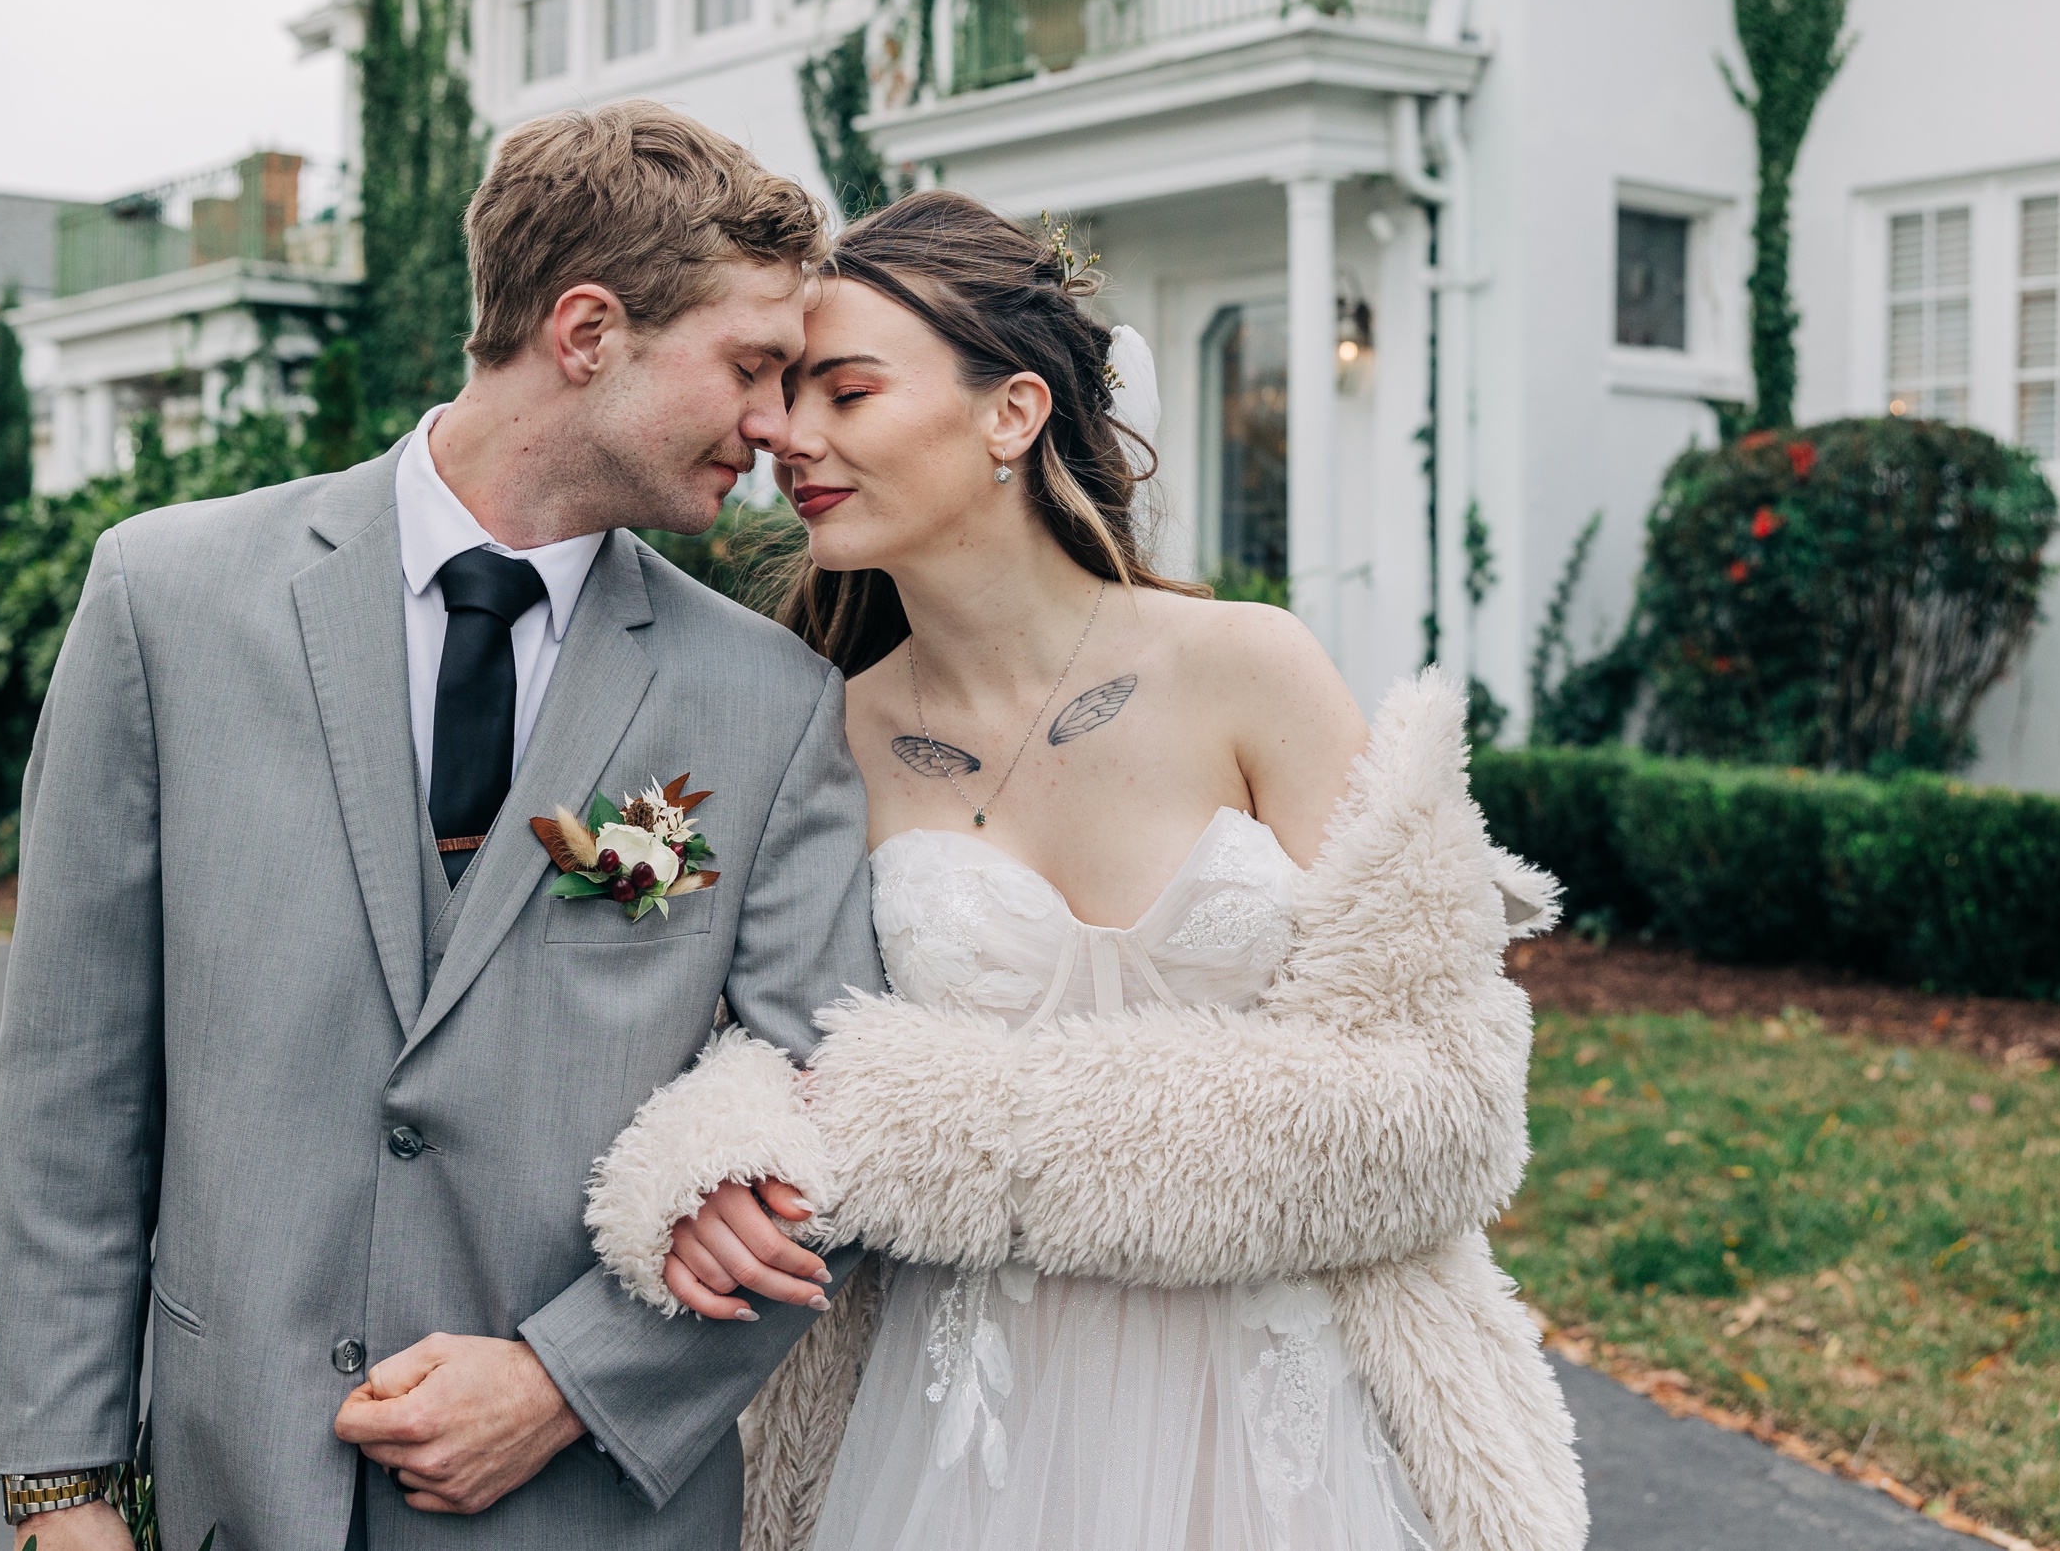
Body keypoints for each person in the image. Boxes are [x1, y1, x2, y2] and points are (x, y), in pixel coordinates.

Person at [586, 191, 1588, 1551]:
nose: (787, 437)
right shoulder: (810, 732)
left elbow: (1447, 1109)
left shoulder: (1254, 670)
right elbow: (732, 1040)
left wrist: (938, 1130)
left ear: (1012, 413)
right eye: (778, 391)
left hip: (1298, 1423)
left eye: (846, 391)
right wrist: (708, 1172)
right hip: (959, 1436)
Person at [0, 101, 885, 1551]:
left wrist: (565, 1380)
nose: (778, 429)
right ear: (588, 331)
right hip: (238, 1490)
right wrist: (60, 1486)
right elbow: (72, 1085)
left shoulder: (769, 700)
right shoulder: (168, 602)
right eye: (752, 368)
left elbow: (836, 1121)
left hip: (587, 1509)